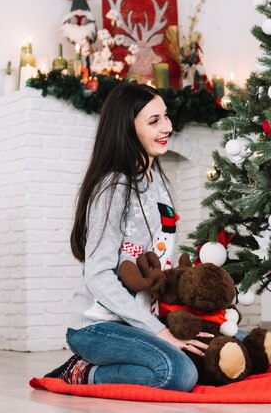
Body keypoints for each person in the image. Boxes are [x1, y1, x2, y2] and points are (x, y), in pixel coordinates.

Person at [44, 83, 210, 390]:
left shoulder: (156, 178)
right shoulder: (114, 187)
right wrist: (159, 332)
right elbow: (97, 275)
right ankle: (80, 372)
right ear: (127, 130)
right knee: (179, 374)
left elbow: (159, 262)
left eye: (166, 116)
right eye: (154, 121)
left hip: (138, 323)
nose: (168, 127)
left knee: (211, 351)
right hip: (96, 327)